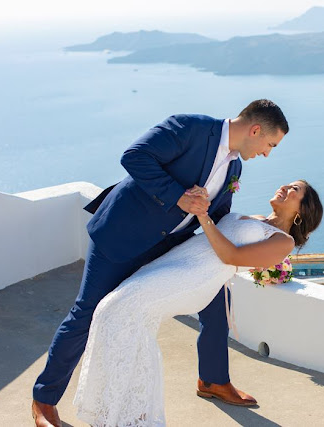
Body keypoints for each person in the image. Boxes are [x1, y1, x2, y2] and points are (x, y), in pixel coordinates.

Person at [32, 100, 289, 427]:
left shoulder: (235, 168)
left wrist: (255, 236)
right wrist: (180, 196)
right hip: (121, 234)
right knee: (86, 313)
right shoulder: (191, 127)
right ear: (255, 130)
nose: (268, 153)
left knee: (216, 297)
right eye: (270, 144)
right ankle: (44, 400)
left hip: (168, 245)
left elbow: (217, 216)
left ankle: (212, 380)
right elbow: (135, 156)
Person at [73, 180, 323, 426]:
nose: (285, 187)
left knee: (119, 309)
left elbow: (230, 256)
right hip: (175, 261)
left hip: (193, 278)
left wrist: (203, 216)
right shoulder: (256, 218)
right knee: (113, 312)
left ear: (302, 212)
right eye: (288, 184)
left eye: (295, 190)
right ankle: (117, 409)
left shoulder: (283, 241)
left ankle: (133, 416)